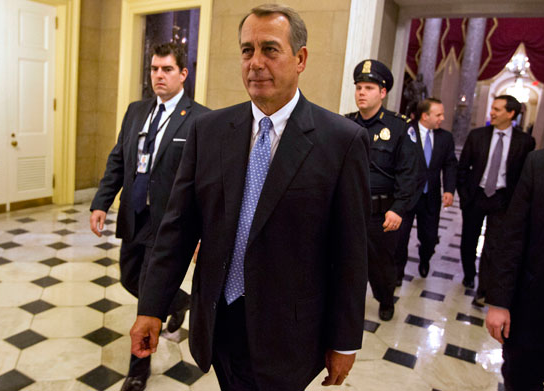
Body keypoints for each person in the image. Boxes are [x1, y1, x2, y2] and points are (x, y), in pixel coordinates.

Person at [129, 5, 371, 391]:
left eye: (270, 50)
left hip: (289, 335)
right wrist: (152, 307)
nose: (255, 63)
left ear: (300, 58)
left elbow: (350, 254)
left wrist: (344, 341)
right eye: (247, 51)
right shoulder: (208, 131)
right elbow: (177, 228)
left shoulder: (341, 142)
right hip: (219, 321)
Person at [89, 42, 210, 391]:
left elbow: (205, 183)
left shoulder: (201, 119)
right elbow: (118, 159)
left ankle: (138, 369)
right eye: (155, 69)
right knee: (130, 279)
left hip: (170, 227)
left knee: (147, 298)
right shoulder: (135, 111)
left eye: (167, 69)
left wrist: (203, 232)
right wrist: (101, 202)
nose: (159, 75)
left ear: (183, 74)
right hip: (134, 216)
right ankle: (179, 301)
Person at [345, 59, 419, 321]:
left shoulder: (399, 127)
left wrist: (398, 208)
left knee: (381, 266)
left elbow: (410, 172)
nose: (361, 92)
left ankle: (385, 299)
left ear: (383, 92)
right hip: (350, 210)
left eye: (368, 87)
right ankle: (348, 304)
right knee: (347, 262)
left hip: (381, 214)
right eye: (358, 87)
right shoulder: (345, 124)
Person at [485, 145, 544, 391]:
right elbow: (513, 236)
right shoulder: (541, 164)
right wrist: (499, 301)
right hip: (534, 307)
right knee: (520, 380)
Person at [456, 95, 535, 301]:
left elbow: (523, 176)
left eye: (498, 109)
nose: (492, 112)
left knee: (493, 245)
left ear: (511, 114)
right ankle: (469, 275)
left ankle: (484, 289)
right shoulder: (477, 136)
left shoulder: (525, 141)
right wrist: (465, 198)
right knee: (469, 240)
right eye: (492, 108)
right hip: (476, 197)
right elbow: (462, 168)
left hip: (502, 200)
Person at [395, 98, 457, 284]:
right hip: (406, 196)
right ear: (425, 115)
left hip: (430, 197)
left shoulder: (445, 138)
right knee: (400, 238)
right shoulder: (405, 131)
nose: (442, 118)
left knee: (429, 237)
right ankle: (397, 273)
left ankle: (424, 259)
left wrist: (449, 189)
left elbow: (450, 164)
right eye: (438, 115)